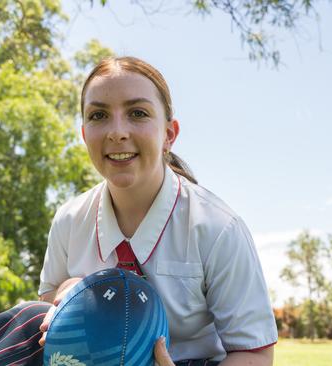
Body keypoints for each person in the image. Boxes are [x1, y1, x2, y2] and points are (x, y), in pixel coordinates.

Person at [36, 56, 278, 366]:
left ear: (169, 134)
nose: (117, 132)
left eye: (137, 113)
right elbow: (46, 310)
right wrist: (68, 293)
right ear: (84, 134)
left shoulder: (219, 228)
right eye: (99, 115)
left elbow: (255, 351)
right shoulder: (68, 221)